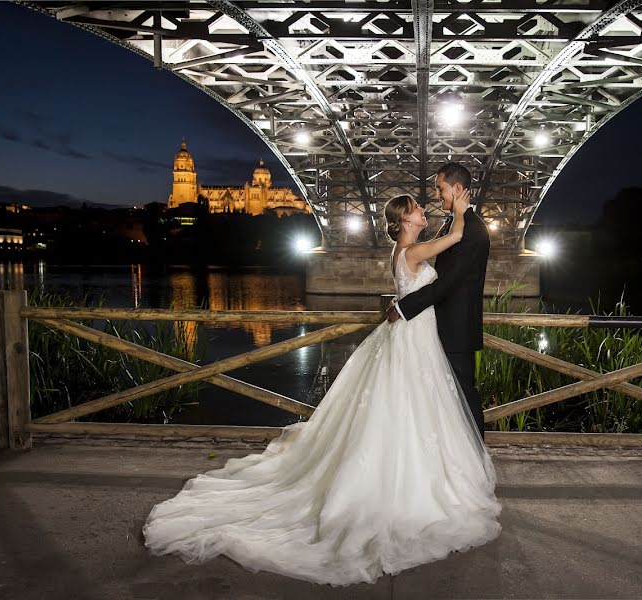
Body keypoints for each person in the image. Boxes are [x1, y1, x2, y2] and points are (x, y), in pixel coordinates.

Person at [142, 188, 501, 586]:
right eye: (417, 209)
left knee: (399, 407)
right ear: (403, 221)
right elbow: (453, 240)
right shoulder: (412, 251)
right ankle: (414, 482)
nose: (423, 209)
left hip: (411, 338)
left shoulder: (401, 252)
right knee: (411, 406)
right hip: (414, 341)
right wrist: (463, 209)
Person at [387, 162, 490, 440]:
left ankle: (476, 456)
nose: (436, 195)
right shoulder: (455, 224)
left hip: (456, 329)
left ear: (457, 189)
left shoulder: (471, 230)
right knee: (442, 400)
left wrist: (403, 306)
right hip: (436, 328)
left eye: (440, 188)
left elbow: (446, 284)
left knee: (465, 396)